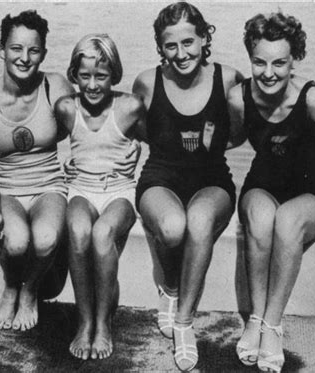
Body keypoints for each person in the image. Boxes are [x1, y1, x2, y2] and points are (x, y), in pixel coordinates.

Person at [227, 12, 315, 372]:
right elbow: (232, 137)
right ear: (249, 57)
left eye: (279, 63)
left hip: (309, 192)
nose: (268, 73)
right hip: (262, 183)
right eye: (259, 62)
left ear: (294, 58)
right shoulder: (238, 99)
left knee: (287, 220)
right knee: (262, 218)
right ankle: (254, 320)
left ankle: (272, 325)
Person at [132, 2, 244, 371]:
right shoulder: (147, 83)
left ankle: (183, 323)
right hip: (160, 176)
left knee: (197, 221)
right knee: (173, 226)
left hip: (211, 180)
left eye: (189, 42)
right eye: (170, 46)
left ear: (204, 37)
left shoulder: (228, 79)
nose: (181, 54)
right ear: (160, 47)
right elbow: (145, 136)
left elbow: (240, 134)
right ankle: (171, 288)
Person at [0, 10, 74, 331]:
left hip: (49, 186)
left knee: (45, 237)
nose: (25, 58)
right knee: (15, 242)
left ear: (43, 53)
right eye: (16, 49)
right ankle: (11, 286)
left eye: (34, 50)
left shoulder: (56, 86)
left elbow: (83, 132)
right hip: (7, 189)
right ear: (1, 49)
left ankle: (28, 292)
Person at [55, 34, 144, 360]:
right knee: (78, 230)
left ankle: (104, 323)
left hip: (119, 191)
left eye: (101, 76)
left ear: (114, 75)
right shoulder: (66, 108)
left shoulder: (130, 107)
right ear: (74, 75)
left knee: (103, 233)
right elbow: (47, 141)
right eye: (85, 76)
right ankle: (85, 320)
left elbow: (160, 143)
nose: (92, 85)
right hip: (81, 188)